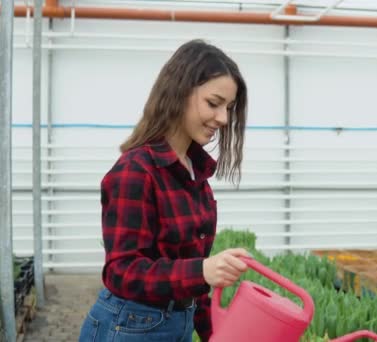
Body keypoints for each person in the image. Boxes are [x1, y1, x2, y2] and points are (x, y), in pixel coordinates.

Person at [79, 39, 250, 342]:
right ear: (180, 93)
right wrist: (202, 270)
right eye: (213, 103)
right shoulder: (136, 171)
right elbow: (121, 271)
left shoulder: (195, 174)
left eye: (229, 108)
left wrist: (213, 333)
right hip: (129, 327)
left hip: (176, 324)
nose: (223, 119)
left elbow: (192, 277)